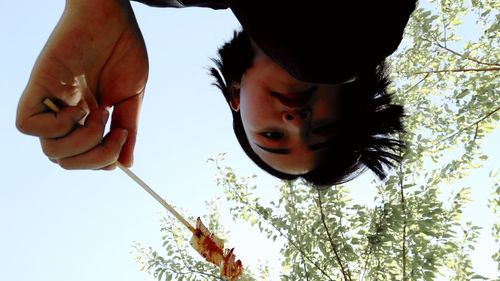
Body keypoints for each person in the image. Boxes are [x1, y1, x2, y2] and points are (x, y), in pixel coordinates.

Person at [16, 0, 416, 188]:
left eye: (272, 137)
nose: (296, 122)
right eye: (323, 129)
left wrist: (94, 7)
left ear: (236, 98)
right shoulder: (364, 33)